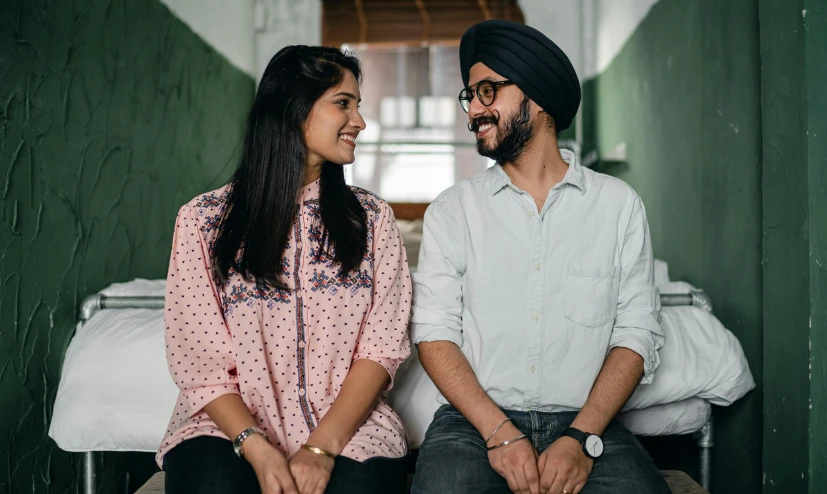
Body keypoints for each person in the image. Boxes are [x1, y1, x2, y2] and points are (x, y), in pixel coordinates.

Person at [410, 20, 670, 494]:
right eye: (471, 96)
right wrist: (499, 432)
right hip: (474, 424)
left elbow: (637, 331)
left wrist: (581, 435)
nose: (475, 111)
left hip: (589, 423)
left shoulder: (618, 205)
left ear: (540, 96)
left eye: (488, 91)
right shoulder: (453, 210)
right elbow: (434, 335)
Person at [156, 45, 412, 494]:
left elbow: (381, 348)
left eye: (358, 105)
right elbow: (201, 363)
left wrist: (321, 449)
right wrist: (257, 448)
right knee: (214, 484)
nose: (360, 121)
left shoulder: (372, 221)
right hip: (229, 426)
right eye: (342, 103)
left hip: (347, 426)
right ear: (293, 108)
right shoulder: (203, 221)